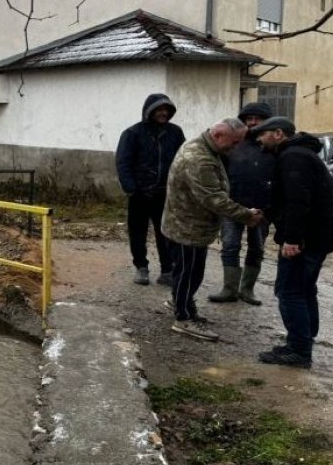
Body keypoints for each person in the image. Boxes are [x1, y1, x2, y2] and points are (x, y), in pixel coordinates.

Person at [161, 118, 263, 342]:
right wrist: (245, 215)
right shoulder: (199, 158)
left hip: (188, 225)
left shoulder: (206, 147)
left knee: (187, 272)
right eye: (234, 142)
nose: (235, 148)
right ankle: (183, 318)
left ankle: (183, 304)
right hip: (188, 228)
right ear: (218, 136)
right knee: (189, 274)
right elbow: (213, 199)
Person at [252, 117, 333, 368]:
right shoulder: (301, 154)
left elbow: (298, 202)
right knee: (304, 289)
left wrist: (292, 239)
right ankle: (303, 341)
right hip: (318, 237)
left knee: (289, 291)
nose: (259, 139)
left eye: (262, 134)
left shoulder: (293, 158)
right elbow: (288, 199)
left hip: (306, 239)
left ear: (278, 133)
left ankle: (299, 351)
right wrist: (265, 213)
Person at [208, 102, 275, 305]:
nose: (252, 122)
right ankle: (229, 289)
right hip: (233, 205)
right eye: (248, 118)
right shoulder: (234, 143)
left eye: (257, 118)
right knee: (230, 245)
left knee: (257, 248)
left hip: (263, 208)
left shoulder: (272, 146)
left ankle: (247, 290)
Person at [116, 93, 186, 286]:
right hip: (140, 193)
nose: (163, 113)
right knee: (137, 232)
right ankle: (141, 267)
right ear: (149, 111)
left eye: (166, 110)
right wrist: (131, 189)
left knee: (166, 233)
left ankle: (167, 270)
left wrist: (179, 186)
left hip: (165, 193)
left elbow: (182, 160)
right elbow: (123, 163)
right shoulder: (132, 133)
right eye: (159, 110)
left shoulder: (175, 133)